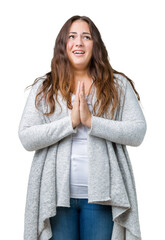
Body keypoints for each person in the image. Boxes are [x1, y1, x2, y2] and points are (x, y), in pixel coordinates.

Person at [18, 15, 147, 240]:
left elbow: (137, 132)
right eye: (72, 36)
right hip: (56, 200)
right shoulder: (44, 88)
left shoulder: (117, 86)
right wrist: (70, 122)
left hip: (102, 198)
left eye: (86, 37)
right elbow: (26, 136)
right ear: (63, 45)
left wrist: (91, 122)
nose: (79, 42)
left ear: (95, 45)